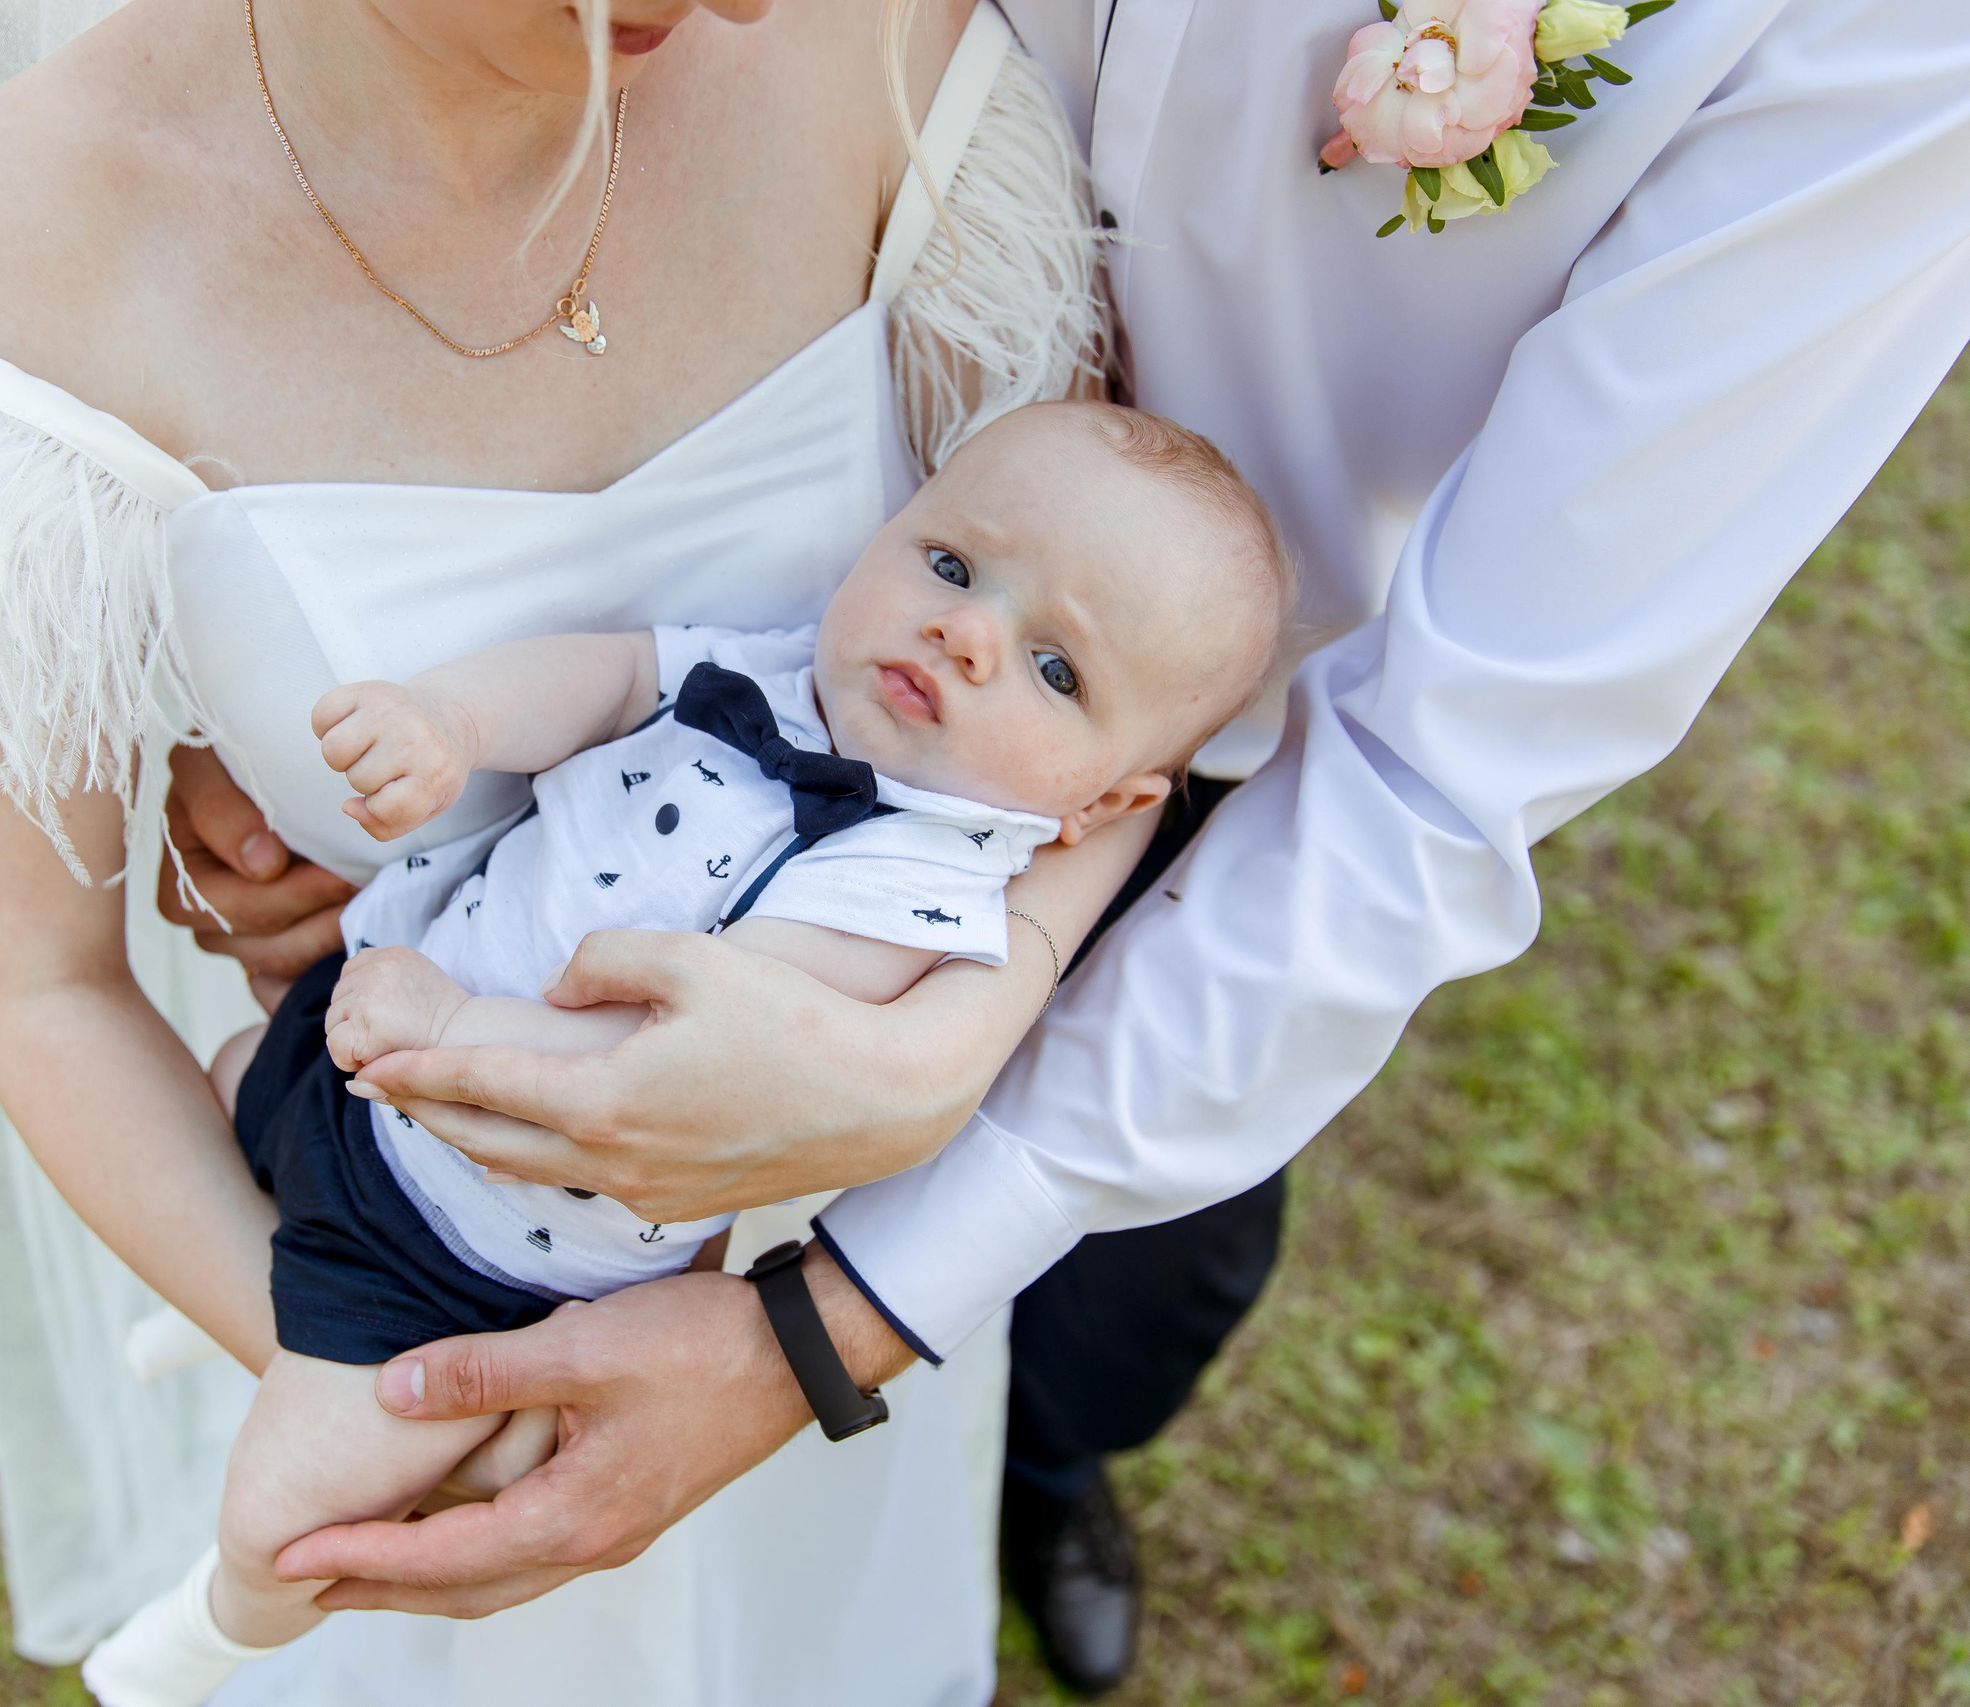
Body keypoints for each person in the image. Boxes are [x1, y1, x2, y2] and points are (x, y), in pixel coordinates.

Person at [166, 0, 1970, 1695]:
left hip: (1144, 745)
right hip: (694, 481)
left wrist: (838, 1326)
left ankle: (1047, 1464)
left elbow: (1457, 757)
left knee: (1142, 1284)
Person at [0, 0, 1127, 1700]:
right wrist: (415, 1387)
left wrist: (921, 1094)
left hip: (848, 1260)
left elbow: (1136, 713)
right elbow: (35, 983)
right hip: (402, 1277)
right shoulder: (33, 233)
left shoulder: (876, 40)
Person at [80, 399, 1290, 1705]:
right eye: (950, 563)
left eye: (1057, 671)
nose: (969, 629)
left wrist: (450, 1032)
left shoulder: (915, 904)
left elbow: (668, 1054)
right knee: (218, 1097)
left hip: (466, 1252)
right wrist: (452, 723)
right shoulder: (772, 669)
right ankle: (229, 1296)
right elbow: (604, 676)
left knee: (286, 1508)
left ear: (1102, 806)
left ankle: (210, 1627)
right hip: (348, 1062)